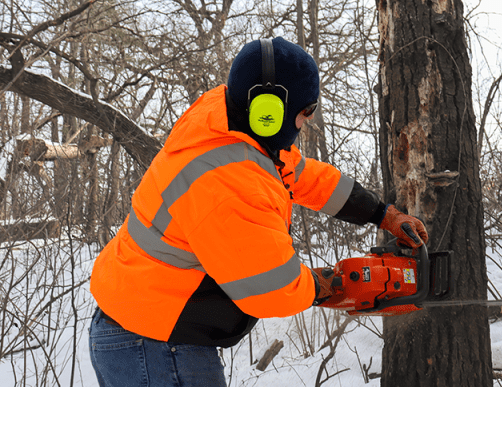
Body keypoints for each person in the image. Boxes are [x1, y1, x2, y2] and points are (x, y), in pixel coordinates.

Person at [89, 36, 428, 387]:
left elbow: (305, 176)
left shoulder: (231, 130)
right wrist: (331, 285)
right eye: (304, 112)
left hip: (140, 324)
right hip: (154, 343)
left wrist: (381, 214)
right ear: (270, 113)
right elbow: (272, 287)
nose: (306, 121)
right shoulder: (230, 179)